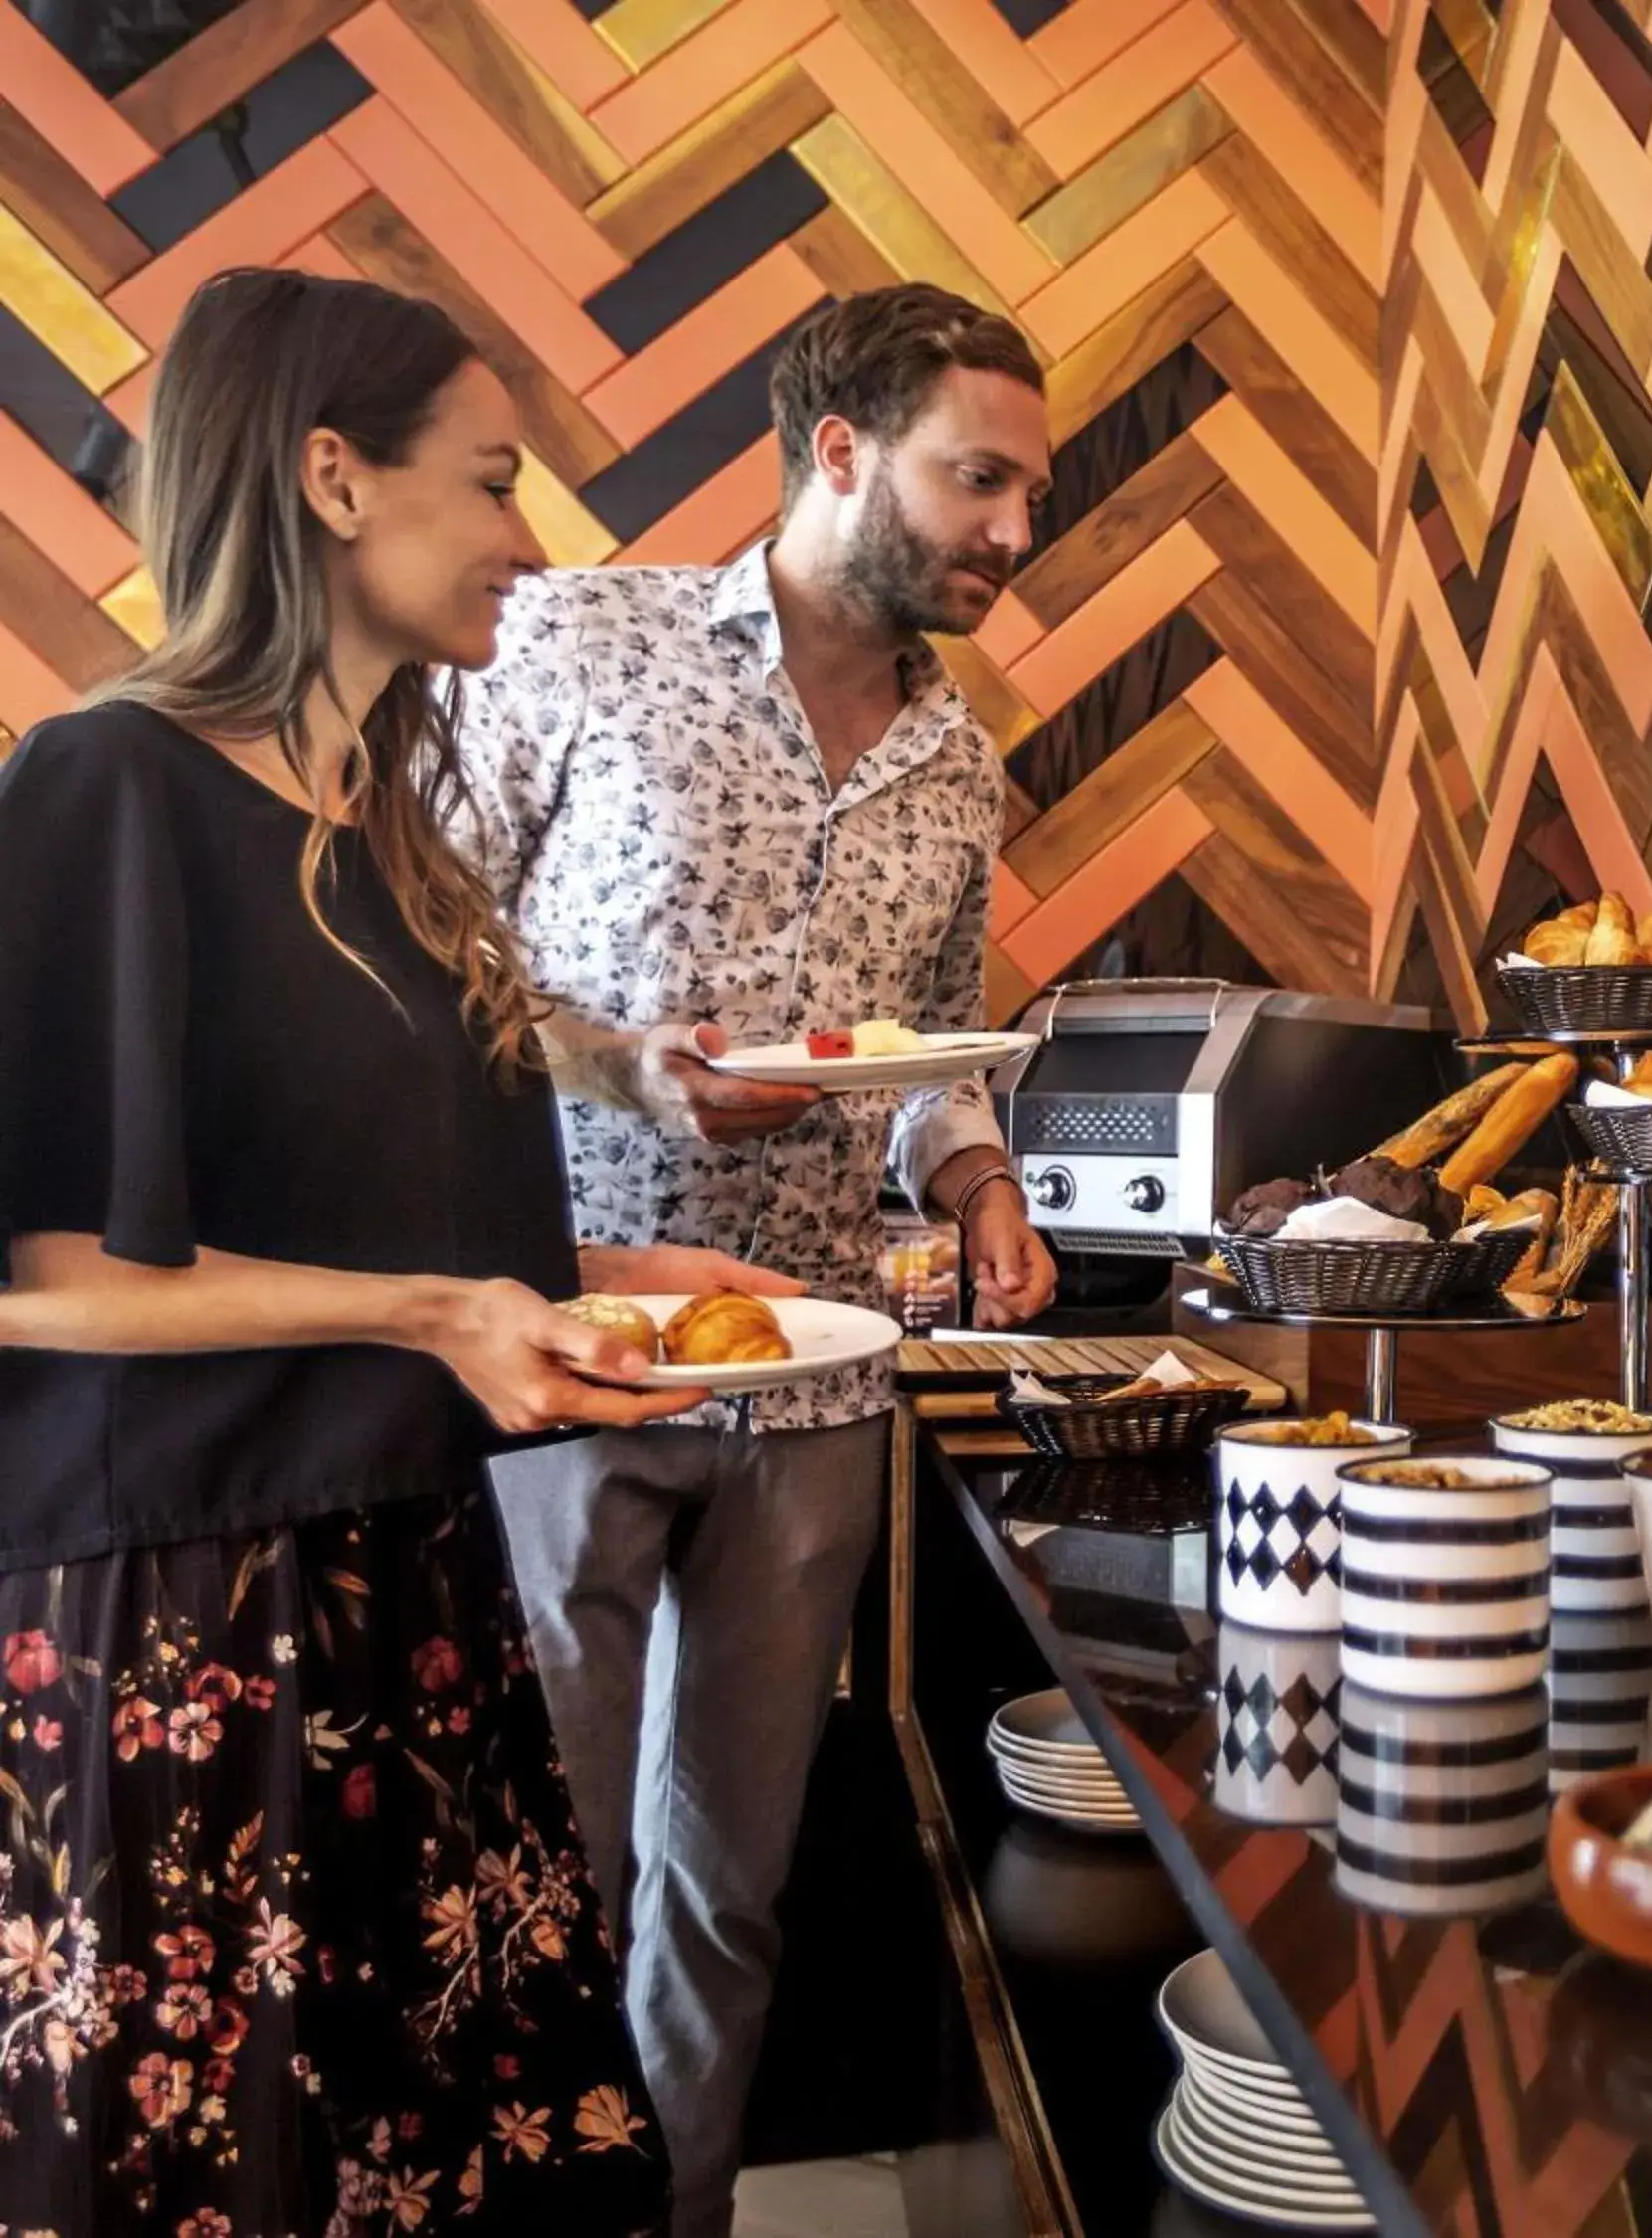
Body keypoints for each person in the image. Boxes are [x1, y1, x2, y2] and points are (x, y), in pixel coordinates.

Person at [0, 269, 785, 2231]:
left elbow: (398, 1232)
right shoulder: (109, 784)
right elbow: (41, 1272)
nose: (532, 538)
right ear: (333, 478)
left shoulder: (381, 829)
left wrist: (614, 1291)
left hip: (406, 1582)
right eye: (498, 480)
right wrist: (444, 1312)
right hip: (194, 1613)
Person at [460, 284, 1060, 2235]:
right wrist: (622, 1062)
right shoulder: (578, 635)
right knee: (552, 1871)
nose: (1013, 534)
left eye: (1028, 494)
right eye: (982, 480)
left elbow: (929, 1056)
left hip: (808, 1381)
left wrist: (978, 1185)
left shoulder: (963, 766)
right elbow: (422, 948)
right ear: (836, 450)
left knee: (730, 1889)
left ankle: (682, 2216)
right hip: (570, 1340)